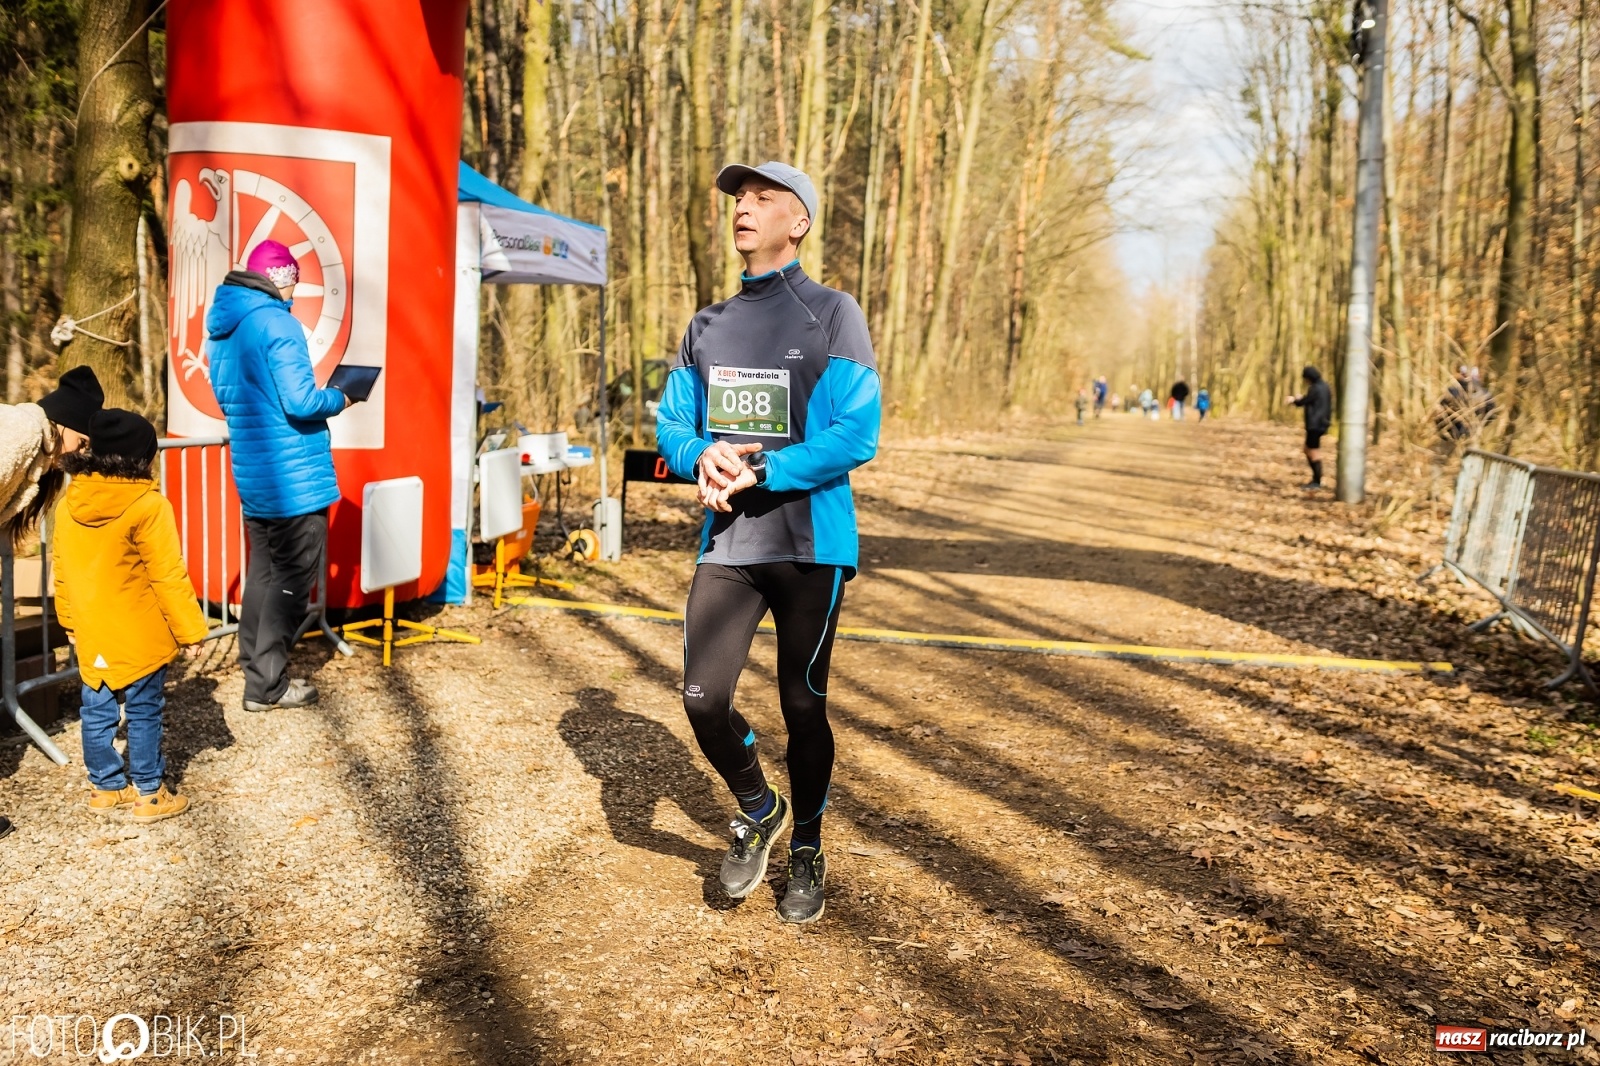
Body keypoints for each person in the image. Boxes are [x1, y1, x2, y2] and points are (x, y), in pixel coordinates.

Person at [657, 160, 881, 924]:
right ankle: (762, 807)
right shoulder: (707, 325)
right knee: (701, 698)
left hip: (811, 543)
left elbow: (858, 432)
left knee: (802, 705)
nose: (743, 208)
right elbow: (672, 424)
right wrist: (700, 456)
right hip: (730, 542)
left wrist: (766, 469)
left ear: (799, 222)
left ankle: (808, 848)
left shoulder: (834, 314)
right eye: (738, 198)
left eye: (763, 198)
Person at [207, 240, 354, 712]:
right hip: (294, 476)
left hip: (254, 470)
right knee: (292, 579)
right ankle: (268, 685)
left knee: (264, 573)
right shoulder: (278, 323)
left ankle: (255, 666)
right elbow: (301, 401)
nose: (295, 291)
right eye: (294, 280)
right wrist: (342, 397)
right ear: (281, 279)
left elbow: (229, 401)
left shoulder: (223, 328)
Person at [54, 409, 210, 822]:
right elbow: (167, 574)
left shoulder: (69, 504)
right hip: (141, 633)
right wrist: (191, 631)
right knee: (143, 710)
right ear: (142, 458)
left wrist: (68, 622)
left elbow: (62, 571)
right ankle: (149, 793)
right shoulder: (149, 506)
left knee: (96, 710)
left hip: (92, 630)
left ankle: (105, 788)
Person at [0, 365, 105, 842]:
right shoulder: (21, 432)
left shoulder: (39, 452)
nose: (82, 451)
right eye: (82, 440)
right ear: (64, 424)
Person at [1288, 366, 1333, 490]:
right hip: (1321, 423)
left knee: (1313, 451)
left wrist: (1294, 400)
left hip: (1315, 424)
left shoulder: (1315, 388)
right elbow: (1313, 401)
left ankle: (1317, 481)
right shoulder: (1325, 387)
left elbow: (1305, 401)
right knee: (1308, 449)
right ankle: (1316, 479)